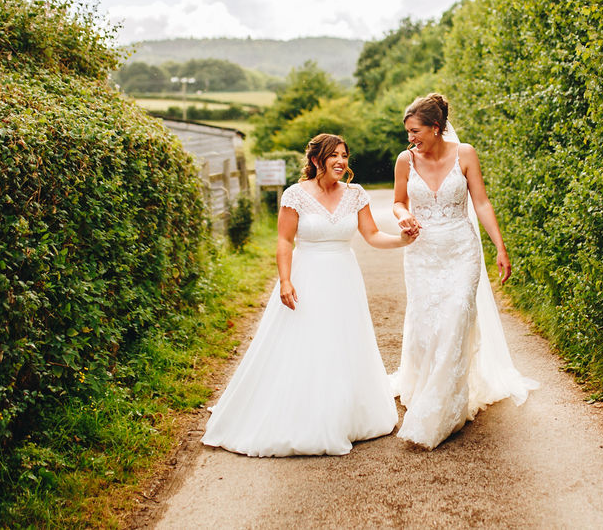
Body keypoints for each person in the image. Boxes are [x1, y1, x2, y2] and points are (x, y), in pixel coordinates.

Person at [201, 133, 414, 456]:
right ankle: (302, 414)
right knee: (306, 342)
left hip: (344, 279)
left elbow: (372, 235)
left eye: (344, 155)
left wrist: (402, 240)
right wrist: (285, 280)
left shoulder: (356, 194)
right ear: (316, 160)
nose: (341, 161)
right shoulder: (295, 195)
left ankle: (344, 414)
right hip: (307, 276)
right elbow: (284, 241)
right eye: (334, 155)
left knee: (343, 342)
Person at [391, 93, 538, 449]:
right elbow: (398, 201)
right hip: (422, 253)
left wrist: (500, 247)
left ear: (435, 128)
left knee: (456, 317)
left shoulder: (465, 154)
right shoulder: (405, 160)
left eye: (415, 131)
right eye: (408, 132)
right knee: (426, 324)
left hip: (461, 250)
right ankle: (426, 386)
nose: (410, 138)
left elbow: (481, 203)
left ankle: (443, 408)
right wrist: (404, 216)